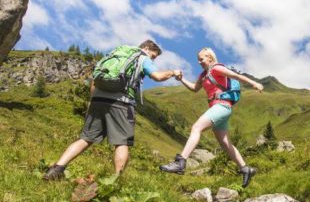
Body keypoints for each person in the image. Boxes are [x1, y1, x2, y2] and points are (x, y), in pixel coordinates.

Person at [43, 40, 179, 180]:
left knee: (85, 139)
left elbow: (95, 79)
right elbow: (158, 76)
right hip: (121, 102)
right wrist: (173, 72)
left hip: (97, 100)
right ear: (146, 48)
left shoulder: (115, 54)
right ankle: (116, 181)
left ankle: (56, 170)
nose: (153, 59)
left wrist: (92, 100)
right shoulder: (142, 57)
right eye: (154, 56)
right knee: (122, 143)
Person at [160, 47, 264, 187]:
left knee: (196, 127)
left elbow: (236, 76)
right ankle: (245, 169)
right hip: (218, 109)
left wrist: (254, 83)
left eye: (201, 59)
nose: (198, 62)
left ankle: (181, 161)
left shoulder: (216, 68)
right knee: (225, 143)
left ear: (210, 58)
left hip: (222, 107)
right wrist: (181, 79)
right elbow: (194, 89)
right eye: (198, 59)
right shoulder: (203, 75)